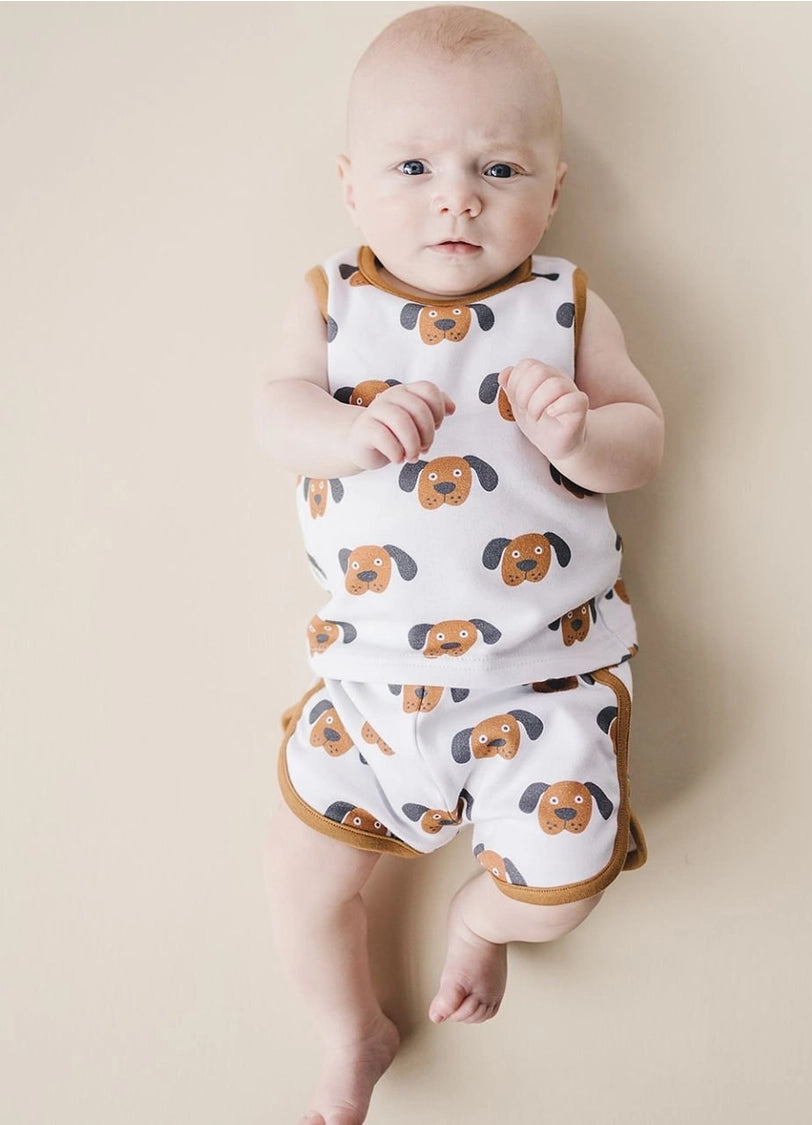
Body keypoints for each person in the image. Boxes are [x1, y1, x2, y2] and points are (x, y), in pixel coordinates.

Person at [255, 7, 664, 1124]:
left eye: (499, 167)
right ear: (351, 187)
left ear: (554, 188)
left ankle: (481, 919)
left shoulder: (563, 306)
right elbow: (275, 413)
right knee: (299, 879)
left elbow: (644, 439)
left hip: (545, 679)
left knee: (564, 890)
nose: (457, 199)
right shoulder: (334, 303)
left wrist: (582, 435)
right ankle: (351, 1030)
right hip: (372, 681)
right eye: (414, 167)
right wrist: (344, 431)